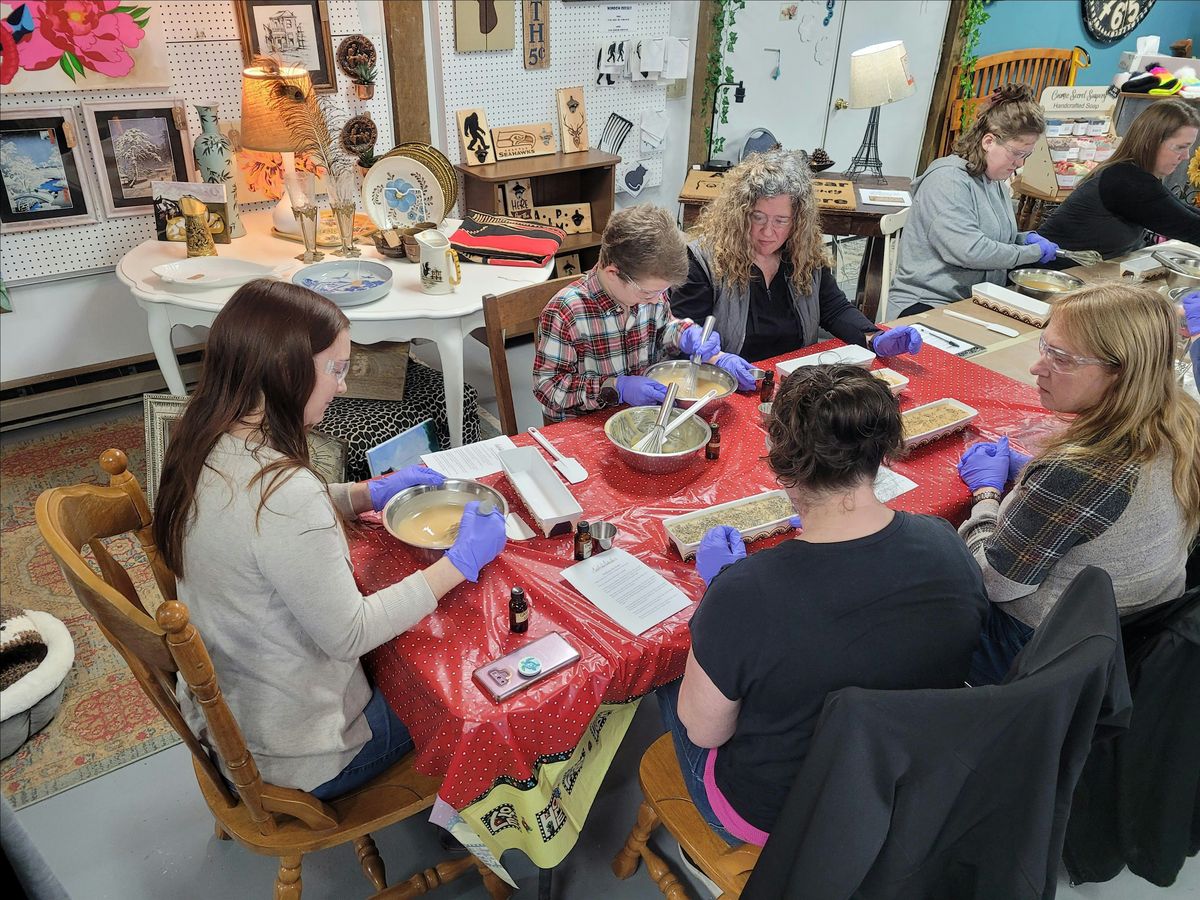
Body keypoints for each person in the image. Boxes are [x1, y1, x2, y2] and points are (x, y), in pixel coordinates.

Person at [153, 280, 507, 799]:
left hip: (236, 713)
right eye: (336, 369)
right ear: (286, 372)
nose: (341, 386)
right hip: (304, 751)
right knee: (479, 687)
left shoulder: (201, 435)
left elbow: (261, 531)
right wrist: (461, 561)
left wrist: (363, 494)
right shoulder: (284, 495)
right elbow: (351, 634)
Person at [658, 365, 988, 844]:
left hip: (783, 819)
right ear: (883, 454)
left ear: (779, 463)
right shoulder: (946, 541)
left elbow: (705, 735)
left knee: (669, 684)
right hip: (904, 786)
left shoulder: (743, 594)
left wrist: (722, 598)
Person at [957, 284, 1199, 670]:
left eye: (1062, 358)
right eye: (1045, 347)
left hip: (1039, 647)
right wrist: (1031, 482)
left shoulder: (1080, 470)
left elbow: (992, 581)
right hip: (1131, 629)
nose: (1037, 367)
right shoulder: (1182, 416)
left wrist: (986, 494)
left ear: (1120, 372)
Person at [670, 148, 923, 366]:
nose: (768, 232)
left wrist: (873, 337)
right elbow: (683, 340)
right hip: (726, 381)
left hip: (793, 378)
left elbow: (834, 308)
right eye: (758, 217)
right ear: (739, 213)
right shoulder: (704, 260)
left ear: (797, 221)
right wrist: (717, 360)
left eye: (781, 220)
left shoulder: (802, 252)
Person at [533, 204, 758, 422]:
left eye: (662, 291)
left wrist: (685, 334)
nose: (656, 299)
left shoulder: (647, 294)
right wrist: (615, 387)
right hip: (586, 425)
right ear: (612, 273)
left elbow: (663, 329)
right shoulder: (566, 312)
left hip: (645, 416)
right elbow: (548, 387)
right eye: (650, 292)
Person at [887, 83, 1058, 319]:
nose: (1020, 164)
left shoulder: (994, 181)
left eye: (1026, 155)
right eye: (1016, 153)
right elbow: (970, 251)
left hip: (973, 300)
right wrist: (1032, 252)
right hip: (926, 303)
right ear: (988, 142)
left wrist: (1022, 239)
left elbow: (991, 238)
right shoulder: (947, 180)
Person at [1039, 99, 1200, 258]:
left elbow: (1187, 212)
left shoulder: (1131, 174)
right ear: (1150, 142)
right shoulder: (1128, 182)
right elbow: (1192, 228)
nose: (1186, 156)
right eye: (1180, 147)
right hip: (1055, 270)